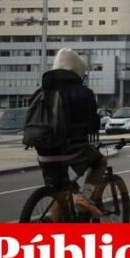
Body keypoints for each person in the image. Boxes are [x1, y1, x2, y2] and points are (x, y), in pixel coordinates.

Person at [33, 48, 106, 219]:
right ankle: (86, 199)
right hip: (72, 150)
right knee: (100, 162)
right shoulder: (83, 93)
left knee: (60, 193)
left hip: (43, 152)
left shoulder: (40, 92)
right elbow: (92, 126)